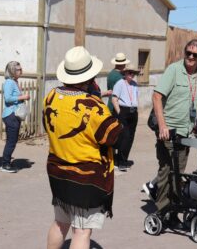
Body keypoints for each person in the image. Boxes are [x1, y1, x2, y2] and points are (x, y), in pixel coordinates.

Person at [43, 46, 122, 249]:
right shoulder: (93, 106)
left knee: (61, 223)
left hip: (58, 170)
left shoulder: (50, 97)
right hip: (85, 177)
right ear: (89, 77)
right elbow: (114, 135)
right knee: (82, 231)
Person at [145, 39, 197, 228]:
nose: (190, 57)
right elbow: (157, 97)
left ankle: (172, 212)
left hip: (186, 131)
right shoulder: (174, 70)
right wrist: (163, 126)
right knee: (167, 170)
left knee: (178, 172)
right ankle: (163, 211)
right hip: (169, 129)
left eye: (195, 55)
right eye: (187, 53)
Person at [0, 61, 30, 173]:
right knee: (11, 141)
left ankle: (6, 162)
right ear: (12, 70)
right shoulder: (9, 82)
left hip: (14, 114)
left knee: (12, 140)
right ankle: (5, 164)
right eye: (18, 69)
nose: (21, 71)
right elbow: (7, 99)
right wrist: (22, 97)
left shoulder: (14, 81)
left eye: (21, 69)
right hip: (11, 114)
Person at [111, 64, 140, 171]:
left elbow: (136, 98)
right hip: (123, 111)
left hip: (133, 112)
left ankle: (123, 159)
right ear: (125, 73)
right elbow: (114, 99)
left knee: (131, 137)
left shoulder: (135, 84)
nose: (131, 75)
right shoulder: (120, 83)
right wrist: (120, 113)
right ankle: (120, 161)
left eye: (133, 73)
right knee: (125, 136)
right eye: (129, 72)